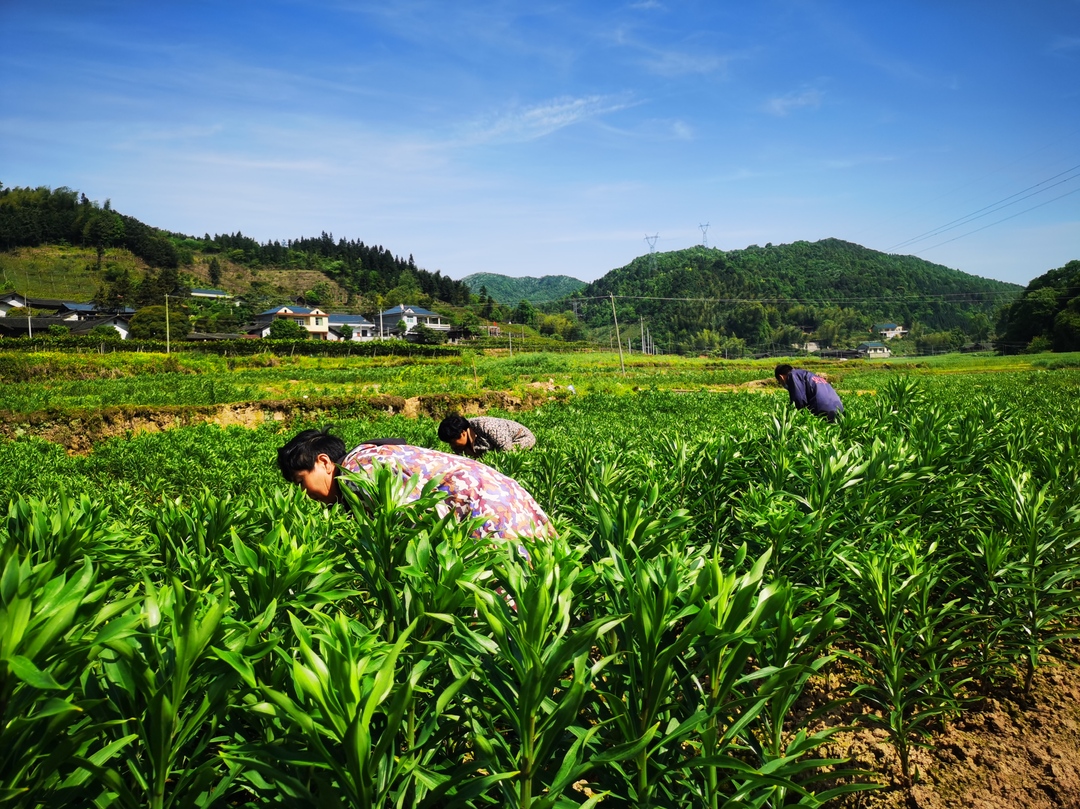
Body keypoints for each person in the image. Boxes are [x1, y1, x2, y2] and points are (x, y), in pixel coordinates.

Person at [277, 428, 551, 542]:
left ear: (324, 462)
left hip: (491, 516)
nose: (304, 493)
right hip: (508, 501)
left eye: (301, 481)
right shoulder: (368, 457)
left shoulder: (359, 472)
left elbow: (415, 530)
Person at [437, 413, 536, 459]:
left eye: (453, 442)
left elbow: (507, 449)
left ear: (463, 433)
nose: (452, 446)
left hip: (519, 438)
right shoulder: (459, 443)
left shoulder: (486, 426)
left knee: (502, 458)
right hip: (496, 446)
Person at [774, 364, 844, 422]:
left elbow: (798, 400)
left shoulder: (792, 375)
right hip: (839, 409)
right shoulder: (809, 375)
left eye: (780, 382)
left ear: (781, 377)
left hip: (822, 410)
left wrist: (792, 416)